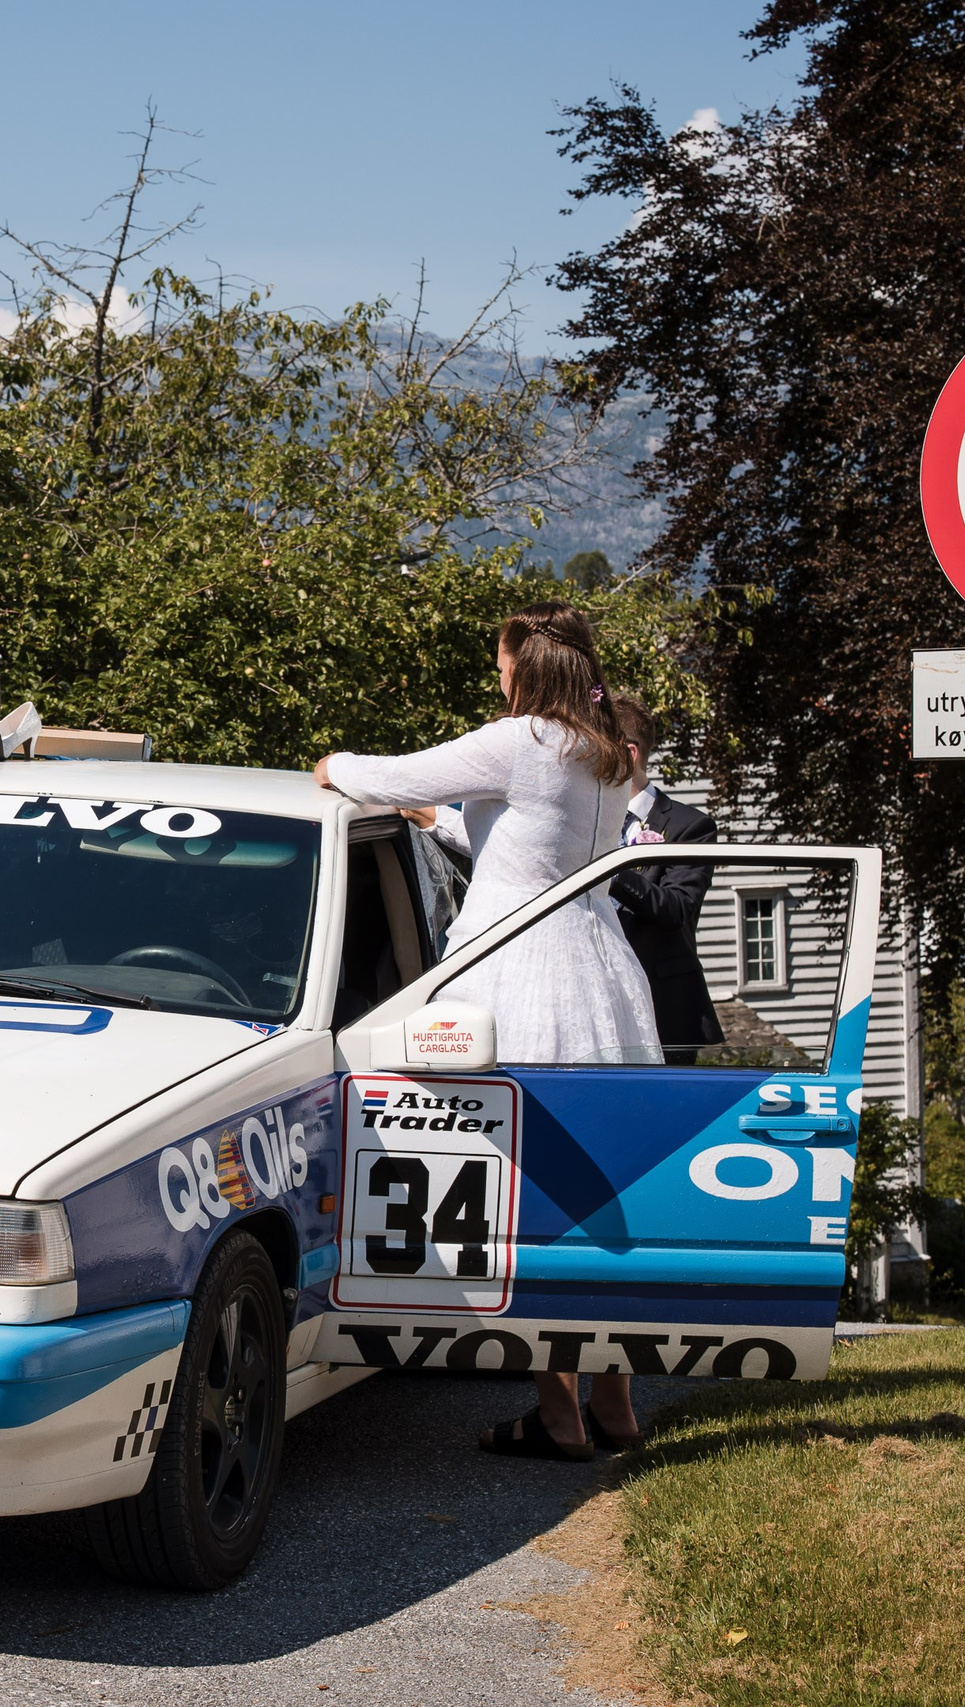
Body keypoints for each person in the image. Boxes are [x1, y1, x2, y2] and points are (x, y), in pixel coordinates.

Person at [311, 599, 655, 1461]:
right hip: (601, 971)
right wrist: (450, 824)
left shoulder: (522, 742)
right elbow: (527, 839)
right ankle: (615, 1403)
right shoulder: (606, 752)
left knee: (517, 1195)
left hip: (521, 969)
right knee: (595, 1195)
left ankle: (558, 1412)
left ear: (526, 666)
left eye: (501, 661)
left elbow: (392, 776)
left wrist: (333, 763)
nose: (496, 675)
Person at [607, 693, 725, 1066]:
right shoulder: (581, 823)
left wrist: (607, 866)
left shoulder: (691, 827)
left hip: (662, 1005)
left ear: (628, 754)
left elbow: (677, 908)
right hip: (594, 996)